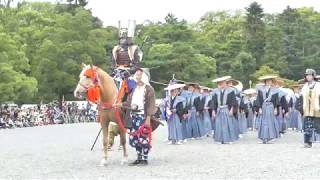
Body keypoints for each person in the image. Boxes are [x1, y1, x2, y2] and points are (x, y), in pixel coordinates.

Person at [123, 68, 157, 166]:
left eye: (140, 75)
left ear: (144, 77)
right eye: (136, 75)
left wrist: (148, 118)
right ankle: (138, 157)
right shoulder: (134, 89)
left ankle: (145, 159)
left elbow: (151, 104)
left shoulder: (149, 89)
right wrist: (120, 104)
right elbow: (129, 102)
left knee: (144, 137)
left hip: (143, 116)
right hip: (133, 116)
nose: (138, 77)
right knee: (135, 138)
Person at [211, 76, 238, 144]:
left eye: (223, 82)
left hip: (226, 109)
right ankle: (219, 139)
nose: (221, 84)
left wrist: (231, 109)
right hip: (219, 109)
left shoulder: (231, 91)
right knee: (218, 125)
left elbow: (233, 101)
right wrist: (213, 111)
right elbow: (213, 102)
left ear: (226, 83)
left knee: (228, 124)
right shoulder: (216, 91)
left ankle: (228, 139)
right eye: (220, 83)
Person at [299, 69, 320, 148]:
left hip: (317, 108)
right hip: (307, 109)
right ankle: (307, 142)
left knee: (318, 125)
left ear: (313, 76)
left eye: (310, 75)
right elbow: (301, 98)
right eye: (307, 75)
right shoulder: (305, 86)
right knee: (307, 126)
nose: (308, 77)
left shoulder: (318, 85)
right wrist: (301, 108)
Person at [256, 75, 280, 144]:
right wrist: (259, 108)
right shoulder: (261, 90)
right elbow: (259, 100)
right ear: (265, 82)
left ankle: (270, 137)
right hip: (263, 106)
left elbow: (276, 100)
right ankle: (263, 137)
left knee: (270, 121)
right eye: (267, 81)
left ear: (272, 82)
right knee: (263, 122)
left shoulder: (275, 90)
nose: (268, 82)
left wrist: (275, 109)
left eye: (270, 81)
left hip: (271, 106)